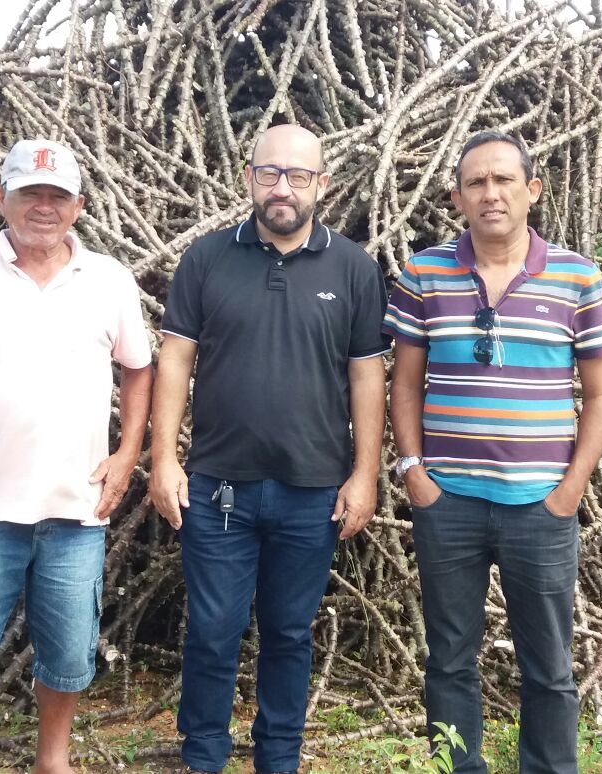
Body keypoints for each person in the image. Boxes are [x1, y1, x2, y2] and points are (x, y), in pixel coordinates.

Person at [0, 138, 153, 774]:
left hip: (77, 508)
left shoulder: (110, 281)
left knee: (69, 653)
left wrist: (127, 455)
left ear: (79, 206)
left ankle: (52, 761)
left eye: (57, 196)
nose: (43, 206)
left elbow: (140, 371)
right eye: (29, 193)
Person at [149, 123, 388, 774]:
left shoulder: (355, 269)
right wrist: (164, 459)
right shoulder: (205, 259)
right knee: (213, 632)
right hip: (218, 490)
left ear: (323, 186)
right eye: (269, 173)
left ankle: (278, 757)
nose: (282, 188)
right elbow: (175, 360)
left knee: (287, 634)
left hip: (313, 492)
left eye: (298, 175)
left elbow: (368, 375)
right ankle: (203, 757)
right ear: (248, 177)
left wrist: (365, 474)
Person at [383, 130, 602, 773]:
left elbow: (601, 396)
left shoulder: (577, 278)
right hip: (448, 502)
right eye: (477, 183)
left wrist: (568, 493)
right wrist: (414, 473)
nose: (491, 193)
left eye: (504, 180)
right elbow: (403, 380)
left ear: (532, 191)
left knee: (548, 665)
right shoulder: (424, 272)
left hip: (539, 507)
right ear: (457, 198)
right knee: (449, 659)